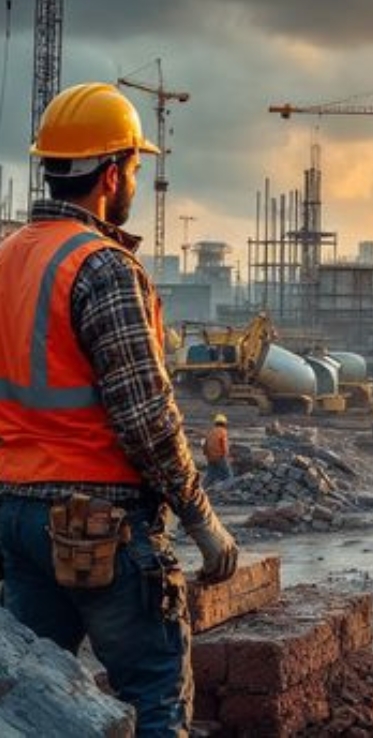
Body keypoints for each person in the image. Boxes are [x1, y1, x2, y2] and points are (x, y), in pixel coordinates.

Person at [0, 82, 239, 734]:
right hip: (99, 525)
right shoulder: (100, 267)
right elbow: (145, 416)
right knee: (155, 696)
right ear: (110, 174)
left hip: (17, 519)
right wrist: (201, 518)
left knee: (34, 701)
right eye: (134, 166)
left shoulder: (8, 256)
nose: (135, 178)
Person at [203, 412, 234, 487]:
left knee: (210, 475)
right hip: (220, 456)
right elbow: (224, 445)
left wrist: (207, 455)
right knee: (229, 475)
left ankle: (201, 489)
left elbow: (205, 444)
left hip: (210, 457)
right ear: (224, 423)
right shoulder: (223, 432)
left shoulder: (210, 432)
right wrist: (226, 456)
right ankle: (226, 489)